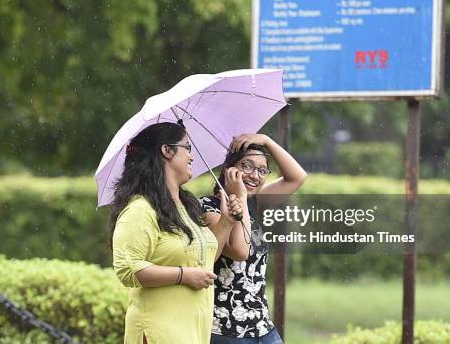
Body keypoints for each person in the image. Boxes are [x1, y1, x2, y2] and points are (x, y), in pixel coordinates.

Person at [110, 122, 247, 344]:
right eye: (187, 148)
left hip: (192, 330)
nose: (192, 157)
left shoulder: (186, 206)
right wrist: (183, 275)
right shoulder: (140, 209)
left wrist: (227, 222)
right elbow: (127, 269)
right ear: (167, 151)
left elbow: (203, 261)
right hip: (158, 332)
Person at [200, 134, 308, 343]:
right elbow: (240, 251)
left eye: (262, 170)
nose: (255, 176)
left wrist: (267, 141)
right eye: (247, 166)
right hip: (226, 330)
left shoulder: (254, 203)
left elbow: (297, 177)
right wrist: (238, 196)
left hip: (262, 327)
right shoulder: (206, 207)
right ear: (229, 169)